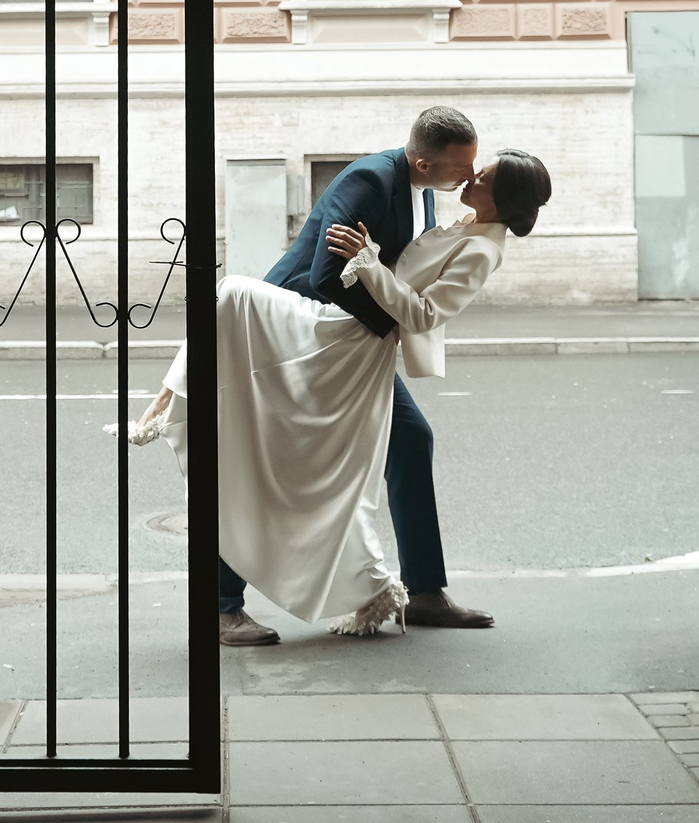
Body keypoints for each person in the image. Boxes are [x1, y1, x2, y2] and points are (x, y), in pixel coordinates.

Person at [126, 147, 554, 640]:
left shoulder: (475, 240)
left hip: (355, 341)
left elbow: (420, 311)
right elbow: (327, 275)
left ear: (501, 196)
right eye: (468, 164)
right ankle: (222, 606)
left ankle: (425, 594)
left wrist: (370, 268)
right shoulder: (386, 186)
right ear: (425, 163)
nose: (471, 173)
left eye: (483, 173)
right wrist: (371, 286)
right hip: (316, 329)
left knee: (407, 441)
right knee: (257, 444)